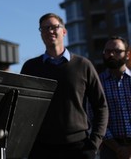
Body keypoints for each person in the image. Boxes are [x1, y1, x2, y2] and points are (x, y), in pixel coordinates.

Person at [20, 13, 108, 159]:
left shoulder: (83, 65)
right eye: (45, 28)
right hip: (41, 148)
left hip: (79, 147)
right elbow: (22, 108)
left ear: (64, 31)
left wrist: (95, 142)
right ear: (41, 34)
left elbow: (101, 106)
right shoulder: (31, 67)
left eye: (54, 27)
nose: (50, 31)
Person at [99, 36, 131, 159]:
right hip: (110, 149)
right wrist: (118, 149)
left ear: (127, 55)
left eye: (117, 51)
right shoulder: (97, 83)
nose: (111, 54)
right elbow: (96, 117)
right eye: (107, 51)